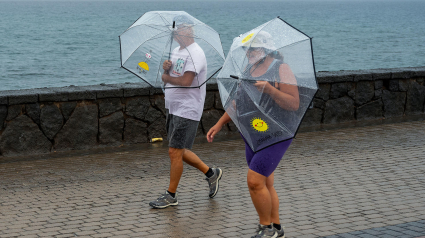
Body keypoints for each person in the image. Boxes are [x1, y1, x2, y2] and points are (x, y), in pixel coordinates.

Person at [207, 31, 299, 238]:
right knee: (266, 183)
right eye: (246, 49)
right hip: (252, 134)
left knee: (255, 181)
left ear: (266, 50)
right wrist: (220, 123)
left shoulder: (280, 68)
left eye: (253, 49)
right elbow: (236, 102)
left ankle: (266, 228)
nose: (248, 52)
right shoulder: (249, 69)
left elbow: (294, 103)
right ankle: (276, 227)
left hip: (276, 133)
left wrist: (270, 90)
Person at [149, 15, 223, 209]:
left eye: (180, 29)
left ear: (189, 32)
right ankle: (211, 174)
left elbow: (186, 81)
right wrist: (168, 67)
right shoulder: (176, 51)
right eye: (175, 31)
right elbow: (174, 75)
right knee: (179, 149)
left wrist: (166, 76)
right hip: (173, 106)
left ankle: (171, 195)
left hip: (188, 108)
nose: (176, 33)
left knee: (174, 151)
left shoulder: (195, 53)